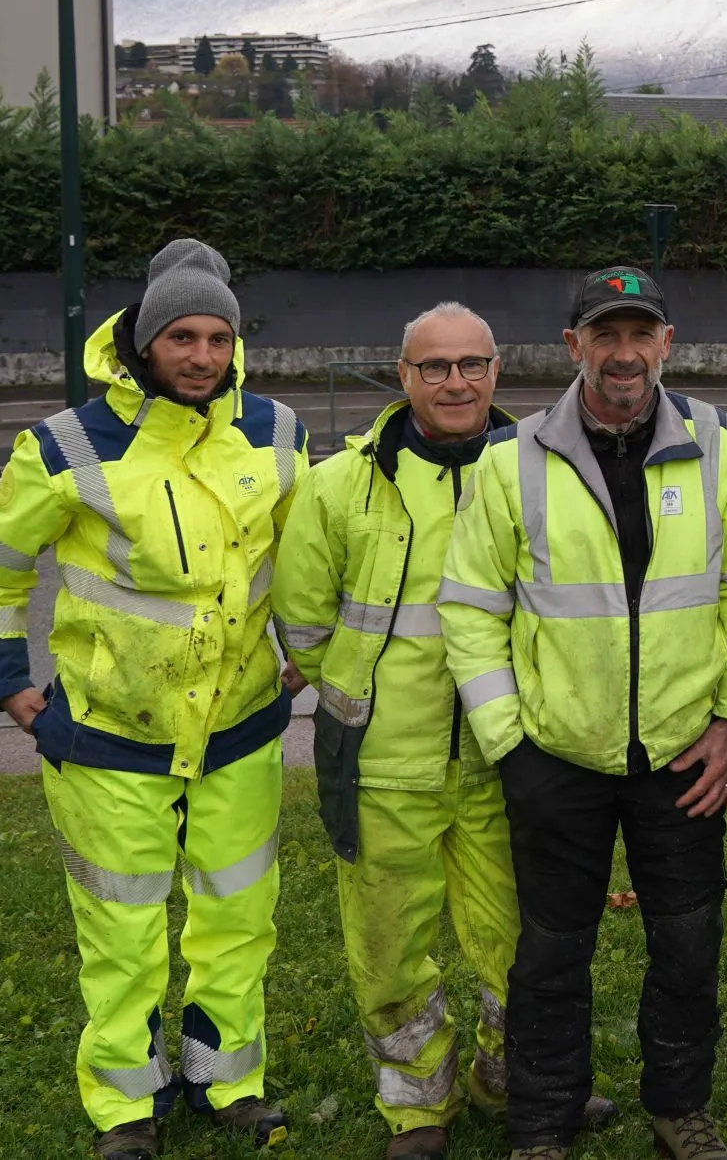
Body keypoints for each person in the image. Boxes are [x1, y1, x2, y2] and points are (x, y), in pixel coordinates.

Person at [0, 238, 305, 1158]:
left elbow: (308, 557)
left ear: (236, 343)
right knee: (122, 930)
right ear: (143, 342)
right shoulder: (66, 445)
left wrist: (307, 649)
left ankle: (226, 1082)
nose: (200, 356)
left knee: (237, 917)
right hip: (111, 736)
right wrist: (7, 688)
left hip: (239, 727)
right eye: (182, 336)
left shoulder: (277, 431)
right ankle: (125, 1109)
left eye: (217, 337)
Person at [274, 304, 613, 1159]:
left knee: (524, 943)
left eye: (472, 364)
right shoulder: (338, 484)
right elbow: (305, 623)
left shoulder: (546, 470)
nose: (455, 382)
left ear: (498, 370)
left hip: (514, 758)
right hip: (386, 763)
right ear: (404, 376)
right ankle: (418, 1108)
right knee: (390, 949)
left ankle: (518, 1079)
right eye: (435, 367)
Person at [436, 266, 727, 1160]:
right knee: (550, 954)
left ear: (666, 342)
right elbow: (469, 607)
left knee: (689, 945)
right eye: (603, 336)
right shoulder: (512, 460)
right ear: (573, 346)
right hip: (557, 757)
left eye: (639, 334)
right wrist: (510, 743)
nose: (623, 354)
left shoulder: (724, 448)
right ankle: (542, 1121)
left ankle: (678, 1106)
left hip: (684, 754)